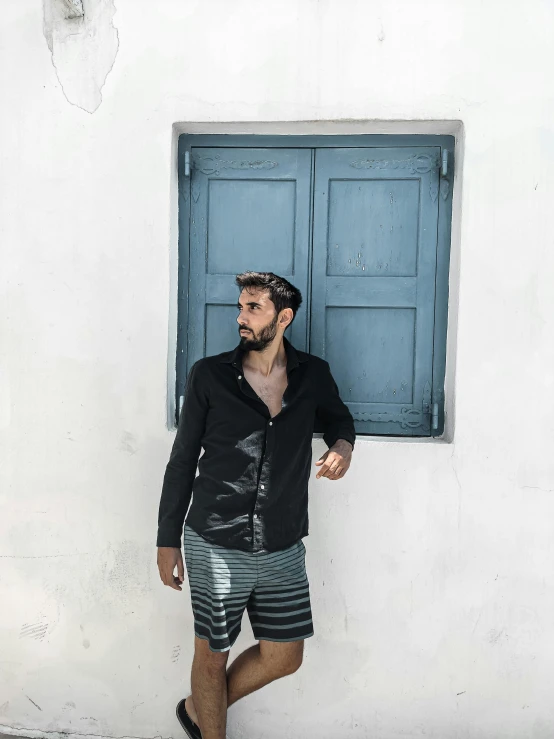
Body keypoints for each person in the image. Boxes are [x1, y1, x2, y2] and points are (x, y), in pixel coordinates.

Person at [156, 271, 355, 739]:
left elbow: (339, 418)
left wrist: (342, 449)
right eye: (241, 307)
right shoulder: (209, 375)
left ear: (283, 317)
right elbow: (182, 460)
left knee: (285, 655)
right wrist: (168, 540)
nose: (241, 317)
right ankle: (213, 731)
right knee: (213, 651)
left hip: (283, 541)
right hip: (214, 539)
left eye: (254, 308)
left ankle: (197, 708)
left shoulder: (314, 375)